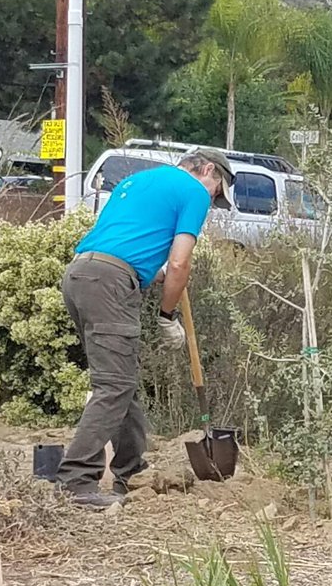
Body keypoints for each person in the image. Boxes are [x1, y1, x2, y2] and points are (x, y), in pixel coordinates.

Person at [55, 148, 233, 508]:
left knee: (121, 382)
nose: (212, 202)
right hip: (110, 283)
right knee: (114, 385)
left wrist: (156, 273)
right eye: (217, 192)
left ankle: (132, 472)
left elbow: (127, 244)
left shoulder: (139, 180)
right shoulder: (194, 191)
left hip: (80, 275)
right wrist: (167, 316)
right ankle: (75, 480)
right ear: (208, 170)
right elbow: (180, 262)